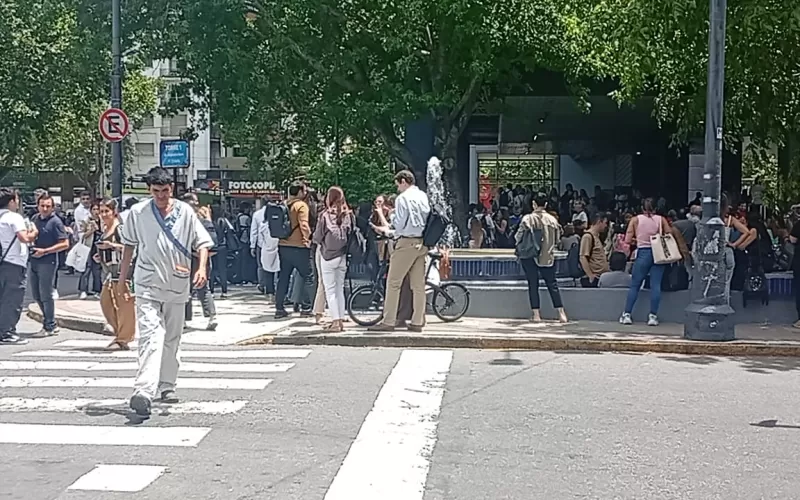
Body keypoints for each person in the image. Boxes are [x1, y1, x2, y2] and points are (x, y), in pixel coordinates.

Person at [119, 167, 212, 416]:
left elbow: (202, 243)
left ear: (172, 189)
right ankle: (143, 391)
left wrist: (201, 268)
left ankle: (167, 385)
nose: (161, 196)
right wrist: (122, 279)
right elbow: (129, 245)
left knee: (172, 338)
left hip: (178, 283)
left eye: (165, 191)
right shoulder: (137, 213)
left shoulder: (185, 212)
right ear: (149, 190)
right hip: (147, 283)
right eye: (156, 191)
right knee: (152, 336)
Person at [368, 170, 431, 332]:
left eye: (398, 185)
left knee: (393, 282)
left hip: (406, 242)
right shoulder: (423, 196)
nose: (397, 189)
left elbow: (399, 225)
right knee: (418, 285)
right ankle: (418, 320)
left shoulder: (403, 198)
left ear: (403, 181)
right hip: (422, 242)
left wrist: (391, 222)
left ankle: (388, 321)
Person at [516, 192, 568, 323]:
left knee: (533, 284)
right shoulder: (552, 220)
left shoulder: (527, 219)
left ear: (533, 204)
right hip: (547, 256)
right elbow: (557, 239)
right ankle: (561, 314)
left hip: (529, 255)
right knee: (552, 284)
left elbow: (518, 236)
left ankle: (536, 315)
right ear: (545, 204)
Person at [620, 198, 672, 326]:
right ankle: (652, 316)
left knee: (635, 285)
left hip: (643, 252)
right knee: (656, 285)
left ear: (642, 208)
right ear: (655, 208)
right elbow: (669, 234)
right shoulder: (661, 220)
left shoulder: (635, 220)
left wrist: (637, 239)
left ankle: (627, 314)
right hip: (658, 253)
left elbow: (627, 239)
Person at [95, 198, 135, 350]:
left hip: (122, 272)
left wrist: (111, 245)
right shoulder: (105, 229)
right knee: (106, 303)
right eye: (102, 211)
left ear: (114, 212)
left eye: (107, 211)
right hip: (110, 272)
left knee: (123, 306)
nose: (104, 214)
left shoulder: (120, 229)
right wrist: (101, 255)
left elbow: (130, 248)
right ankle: (120, 334)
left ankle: (123, 338)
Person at [0, 188, 38, 344]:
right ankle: (7, 332)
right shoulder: (13, 217)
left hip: (2, 261)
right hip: (13, 263)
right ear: (11, 201)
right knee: (12, 298)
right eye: (17, 200)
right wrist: (34, 232)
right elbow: (24, 238)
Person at [313, 186, 353, 332]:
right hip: (342, 255)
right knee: (339, 289)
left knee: (330, 290)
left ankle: (336, 322)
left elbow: (317, 237)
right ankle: (341, 319)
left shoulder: (325, 215)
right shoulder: (347, 214)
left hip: (328, 255)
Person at [29, 193, 69, 337]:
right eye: (42, 206)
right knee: (36, 294)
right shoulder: (35, 219)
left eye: (48, 206)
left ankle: (49, 326)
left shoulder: (56, 222)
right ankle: (49, 322)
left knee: (46, 294)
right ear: (38, 206)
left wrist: (45, 251)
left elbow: (65, 243)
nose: (45, 209)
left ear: (53, 208)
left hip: (48, 261)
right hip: (34, 260)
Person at [275, 181, 312, 319]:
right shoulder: (301, 206)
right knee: (308, 276)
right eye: (305, 190)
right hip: (299, 246)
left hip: (283, 245)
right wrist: (309, 238)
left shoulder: (283, 204)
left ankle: (279, 308)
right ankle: (306, 307)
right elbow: (303, 224)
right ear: (300, 192)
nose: (306, 192)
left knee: (283, 277)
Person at [182, 194, 218, 331]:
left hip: (188, 256)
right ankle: (212, 316)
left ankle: (185, 319)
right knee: (203, 287)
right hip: (204, 256)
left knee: (186, 288)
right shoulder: (204, 216)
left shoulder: (183, 218)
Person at [579, 213, 609, 288]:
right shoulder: (588, 237)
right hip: (594, 277)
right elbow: (583, 257)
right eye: (605, 223)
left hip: (600, 277)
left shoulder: (597, 237)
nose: (606, 226)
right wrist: (590, 275)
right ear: (599, 222)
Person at [78, 203, 102, 299]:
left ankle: (97, 290)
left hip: (98, 247)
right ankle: (83, 290)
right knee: (86, 269)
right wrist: (92, 230)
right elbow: (82, 235)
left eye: (98, 209)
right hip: (88, 247)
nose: (96, 211)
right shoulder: (86, 220)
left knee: (97, 270)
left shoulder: (103, 221)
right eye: (94, 209)